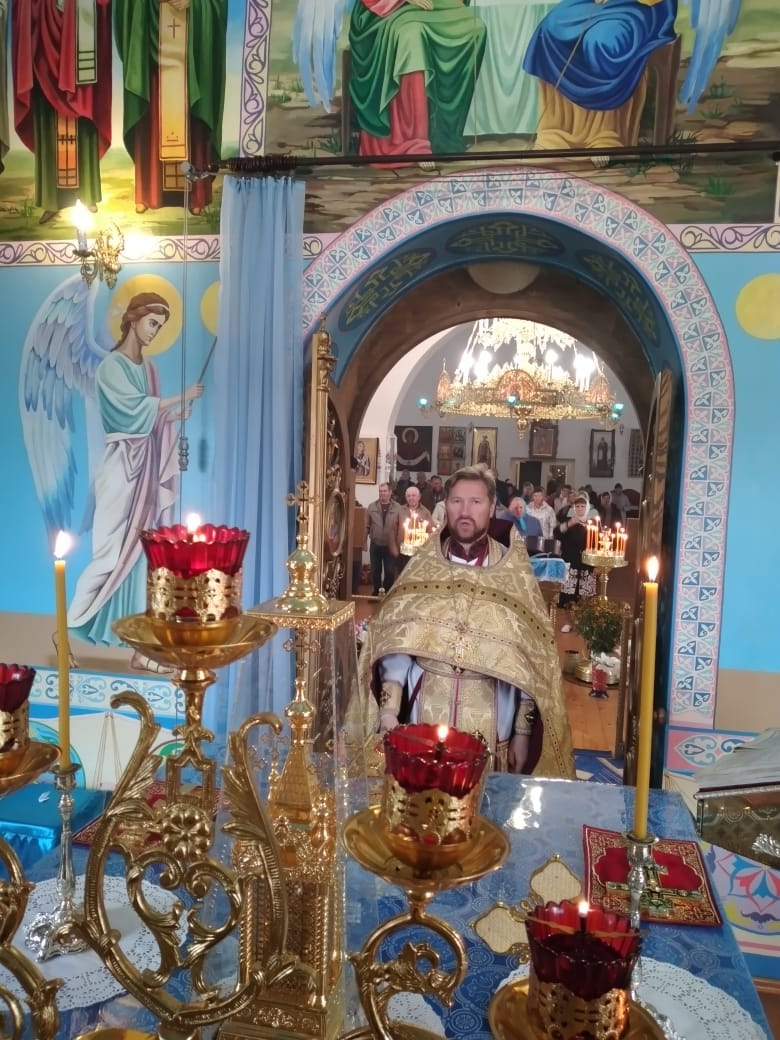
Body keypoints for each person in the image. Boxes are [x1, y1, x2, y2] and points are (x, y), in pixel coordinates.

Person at [359, 466, 574, 777]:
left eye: (475, 502)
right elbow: (397, 641)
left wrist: (523, 732)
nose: (465, 511)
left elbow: (532, 662)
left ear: (491, 507)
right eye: (457, 501)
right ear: (446, 505)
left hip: (492, 720)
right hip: (425, 716)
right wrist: (389, 712)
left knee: (486, 801)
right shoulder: (424, 566)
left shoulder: (512, 572)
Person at [67, 292, 203, 668]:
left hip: (144, 468)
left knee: (145, 558)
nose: (155, 331)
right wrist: (178, 398)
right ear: (133, 319)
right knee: (108, 557)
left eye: (160, 326)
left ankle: (143, 651)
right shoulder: (110, 367)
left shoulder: (150, 369)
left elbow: (148, 421)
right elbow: (129, 411)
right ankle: (65, 631)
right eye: (152, 323)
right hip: (119, 469)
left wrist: (171, 417)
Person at [113, 0, 228, 214]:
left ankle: (195, 195)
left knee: (191, 119)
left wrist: (194, 3)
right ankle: (148, 193)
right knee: (152, 121)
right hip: (152, 44)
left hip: (190, 52)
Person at [522, 0, 676, 153]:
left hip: (638, 8)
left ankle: (606, 135)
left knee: (601, 42)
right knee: (551, 27)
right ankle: (555, 131)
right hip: (596, 4)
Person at [348, 0, 487, 164]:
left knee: (476, 29)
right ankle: (415, 143)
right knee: (412, 37)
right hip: (383, 11)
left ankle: (443, 132)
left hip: (434, 5)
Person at [12, 0, 112, 223]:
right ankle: (51, 199)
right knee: (48, 120)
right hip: (45, 43)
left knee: (83, 118)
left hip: (80, 38)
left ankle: (87, 193)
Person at [556, 491, 597, 620]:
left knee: (584, 595)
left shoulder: (592, 524)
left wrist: (596, 565)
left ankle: (583, 622)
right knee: (569, 596)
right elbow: (557, 533)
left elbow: (596, 544)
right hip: (571, 562)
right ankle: (568, 622)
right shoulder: (568, 521)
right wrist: (569, 524)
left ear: (587, 508)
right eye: (577, 506)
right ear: (574, 508)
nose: (580, 509)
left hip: (587, 564)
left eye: (582, 506)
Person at [389, 485, 433, 574]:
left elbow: (431, 531)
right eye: (408, 496)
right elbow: (392, 530)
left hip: (419, 554)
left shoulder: (425, 512)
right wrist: (394, 549)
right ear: (406, 498)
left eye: (413, 495)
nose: (411, 498)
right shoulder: (400, 510)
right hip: (402, 552)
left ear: (419, 497)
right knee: (401, 575)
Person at [365, 482, 401, 595]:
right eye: (380, 491)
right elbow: (366, 526)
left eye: (385, 491)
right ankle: (376, 592)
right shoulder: (371, 507)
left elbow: (400, 527)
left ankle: (386, 592)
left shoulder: (398, 508)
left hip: (390, 546)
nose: (382, 493)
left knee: (390, 571)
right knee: (375, 571)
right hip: (375, 544)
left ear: (390, 492)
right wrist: (363, 542)